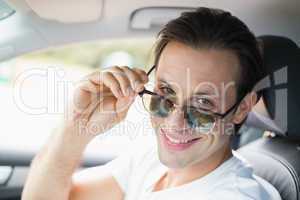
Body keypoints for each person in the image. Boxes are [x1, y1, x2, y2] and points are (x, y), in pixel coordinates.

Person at [22, 7, 281, 200]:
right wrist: (76, 125)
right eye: (166, 94)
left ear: (243, 108)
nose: (173, 123)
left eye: (202, 104)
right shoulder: (150, 160)